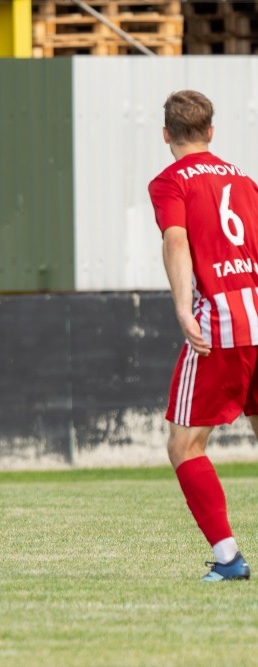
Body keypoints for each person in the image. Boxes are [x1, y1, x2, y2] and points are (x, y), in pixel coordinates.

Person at [148, 90, 258, 581]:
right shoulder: (245, 180)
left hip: (222, 324)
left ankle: (230, 559)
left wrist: (182, 308)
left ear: (166, 134)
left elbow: (176, 240)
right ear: (210, 132)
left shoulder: (170, 182)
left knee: (184, 445)